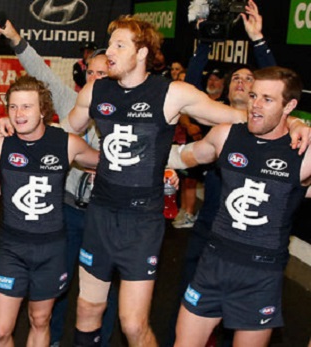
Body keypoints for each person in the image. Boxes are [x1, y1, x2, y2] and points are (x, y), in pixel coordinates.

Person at [55, 16, 309, 347]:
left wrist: (296, 124)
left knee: (132, 325)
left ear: (142, 52)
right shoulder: (95, 90)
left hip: (141, 221)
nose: (110, 53)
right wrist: (18, 134)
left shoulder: (172, 93)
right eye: (111, 44)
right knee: (87, 310)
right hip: (100, 213)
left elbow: (247, 119)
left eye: (120, 45)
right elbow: (65, 131)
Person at [0, 19, 118, 347]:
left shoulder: (125, 114)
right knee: (53, 296)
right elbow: (39, 73)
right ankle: (54, 341)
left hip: (105, 214)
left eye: (102, 74)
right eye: (90, 72)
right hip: (65, 212)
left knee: (103, 288)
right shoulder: (67, 102)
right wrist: (16, 39)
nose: (95, 79)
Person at [168, 66, 310, 347]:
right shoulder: (225, 136)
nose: (255, 105)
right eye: (254, 95)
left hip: (261, 275)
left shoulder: (303, 153)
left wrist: (300, 125)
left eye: (267, 99)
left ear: (289, 106)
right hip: (213, 263)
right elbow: (182, 156)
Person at [0, 75, 99, 347]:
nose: (19, 114)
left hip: (52, 249)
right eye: (13, 107)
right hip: (12, 248)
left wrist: (165, 169)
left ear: (43, 110)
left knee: (40, 319)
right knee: (0, 330)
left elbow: (106, 162)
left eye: (26, 107)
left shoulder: (67, 143)